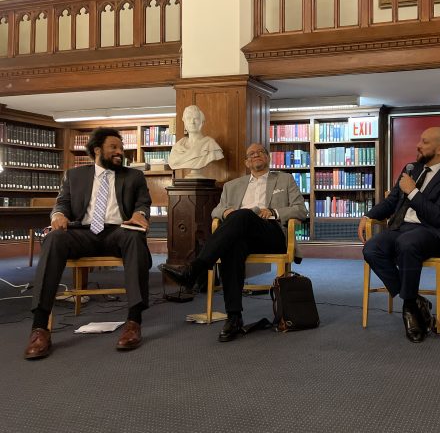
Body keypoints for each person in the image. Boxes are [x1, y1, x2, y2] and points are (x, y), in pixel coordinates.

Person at [24, 128, 153, 360]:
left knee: (135, 237)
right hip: (83, 232)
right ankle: (40, 327)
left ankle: (134, 321)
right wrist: (58, 216)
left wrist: (140, 214)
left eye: (121, 148)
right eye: (113, 147)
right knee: (53, 238)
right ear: (97, 150)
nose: (119, 152)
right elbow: (61, 204)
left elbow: (143, 203)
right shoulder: (74, 176)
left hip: (118, 231)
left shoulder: (133, 177)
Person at [159, 143, 308, 342]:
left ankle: (195, 269)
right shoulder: (232, 185)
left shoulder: (284, 179)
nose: (256, 155)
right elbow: (216, 211)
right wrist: (226, 212)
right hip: (241, 233)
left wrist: (274, 212)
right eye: (251, 154)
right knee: (233, 245)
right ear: (246, 162)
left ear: (268, 158)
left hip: (271, 233)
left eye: (260, 152)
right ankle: (234, 316)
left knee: (244, 215)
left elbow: (301, 210)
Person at [358, 127, 440, 343]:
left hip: (431, 233)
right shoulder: (411, 169)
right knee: (371, 248)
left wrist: (413, 192)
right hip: (400, 228)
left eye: (424, 142)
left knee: (407, 244)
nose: (418, 145)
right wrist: (368, 215)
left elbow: (438, 216)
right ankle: (414, 300)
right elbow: (391, 203)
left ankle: (409, 309)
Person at [168, 105, 224, 172]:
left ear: (202, 122)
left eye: (196, 119)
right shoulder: (178, 146)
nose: (192, 122)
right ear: (184, 122)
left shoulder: (210, 144)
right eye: (189, 118)